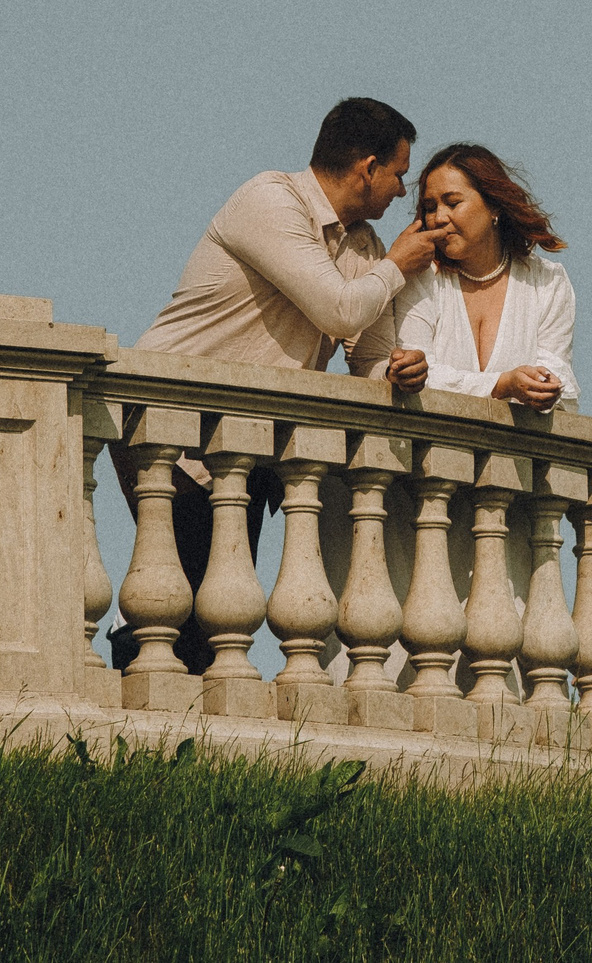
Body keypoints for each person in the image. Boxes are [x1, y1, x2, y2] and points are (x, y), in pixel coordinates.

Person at [111, 96, 439, 673]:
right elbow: (339, 311)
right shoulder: (269, 199)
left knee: (215, 613)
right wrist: (399, 268)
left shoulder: (363, 246)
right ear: (367, 167)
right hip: (169, 422)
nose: (400, 190)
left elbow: (365, 355)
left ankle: (171, 727)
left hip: (245, 441)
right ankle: (132, 677)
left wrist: (394, 369)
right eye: (398, 174)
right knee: (180, 600)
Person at [357, 143, 579, 414]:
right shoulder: (421, 277)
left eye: (453, 203)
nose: (438, 218)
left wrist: (546, 389)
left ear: (494, 205)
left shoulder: (548, 281)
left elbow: (562, 380)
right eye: (430, 207)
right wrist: (502, 384)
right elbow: (425, 376)